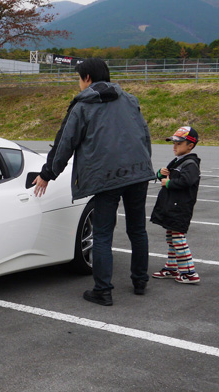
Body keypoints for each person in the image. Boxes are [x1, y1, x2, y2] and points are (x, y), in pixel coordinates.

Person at [32, 58, 154, 306]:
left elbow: (65, 142)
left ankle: (103, 290)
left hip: (106, 177)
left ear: (87, 78)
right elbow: (145, 135)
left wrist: (47, 174)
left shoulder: (83, 105)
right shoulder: (130, 99)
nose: (78, 83)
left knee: (102, 234)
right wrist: (143, 165)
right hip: (138, 172)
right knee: (137, 229)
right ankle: (140, 282)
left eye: (79, 78)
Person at [150, 126, 201, 284]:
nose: (174, 146)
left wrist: (169, 182)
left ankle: (189, 272)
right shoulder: (179, 161)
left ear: (190, 146)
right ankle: (172, 267)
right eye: (174, 143)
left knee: (178, 238)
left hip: (181, 207)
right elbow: (168, 177)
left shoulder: (190, 163)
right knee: (172, 238)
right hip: (172, 206)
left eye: (179, 143)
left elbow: (187, 181)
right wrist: (161, 174)